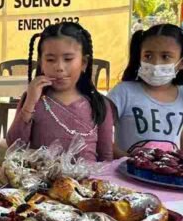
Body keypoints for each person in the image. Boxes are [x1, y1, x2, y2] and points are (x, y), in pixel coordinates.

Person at [6, 22, 113, 162]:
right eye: (50, 59)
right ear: (41, 63)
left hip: (87, 182)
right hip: (42, 182)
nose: (59, 67)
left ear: (84, 63)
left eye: (68, 59)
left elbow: (106, 158)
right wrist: (30, 103)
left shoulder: (99, 104)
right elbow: (14, 146)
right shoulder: (33, 100)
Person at [108, 24, 183, 158]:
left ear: (182, 62)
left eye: (165, 56)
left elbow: (179, 129)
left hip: (168, 176)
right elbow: (100, 131)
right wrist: (126, 160)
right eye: (148, 56)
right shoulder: (123, 92)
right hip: (127, 175)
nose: (155, 63)